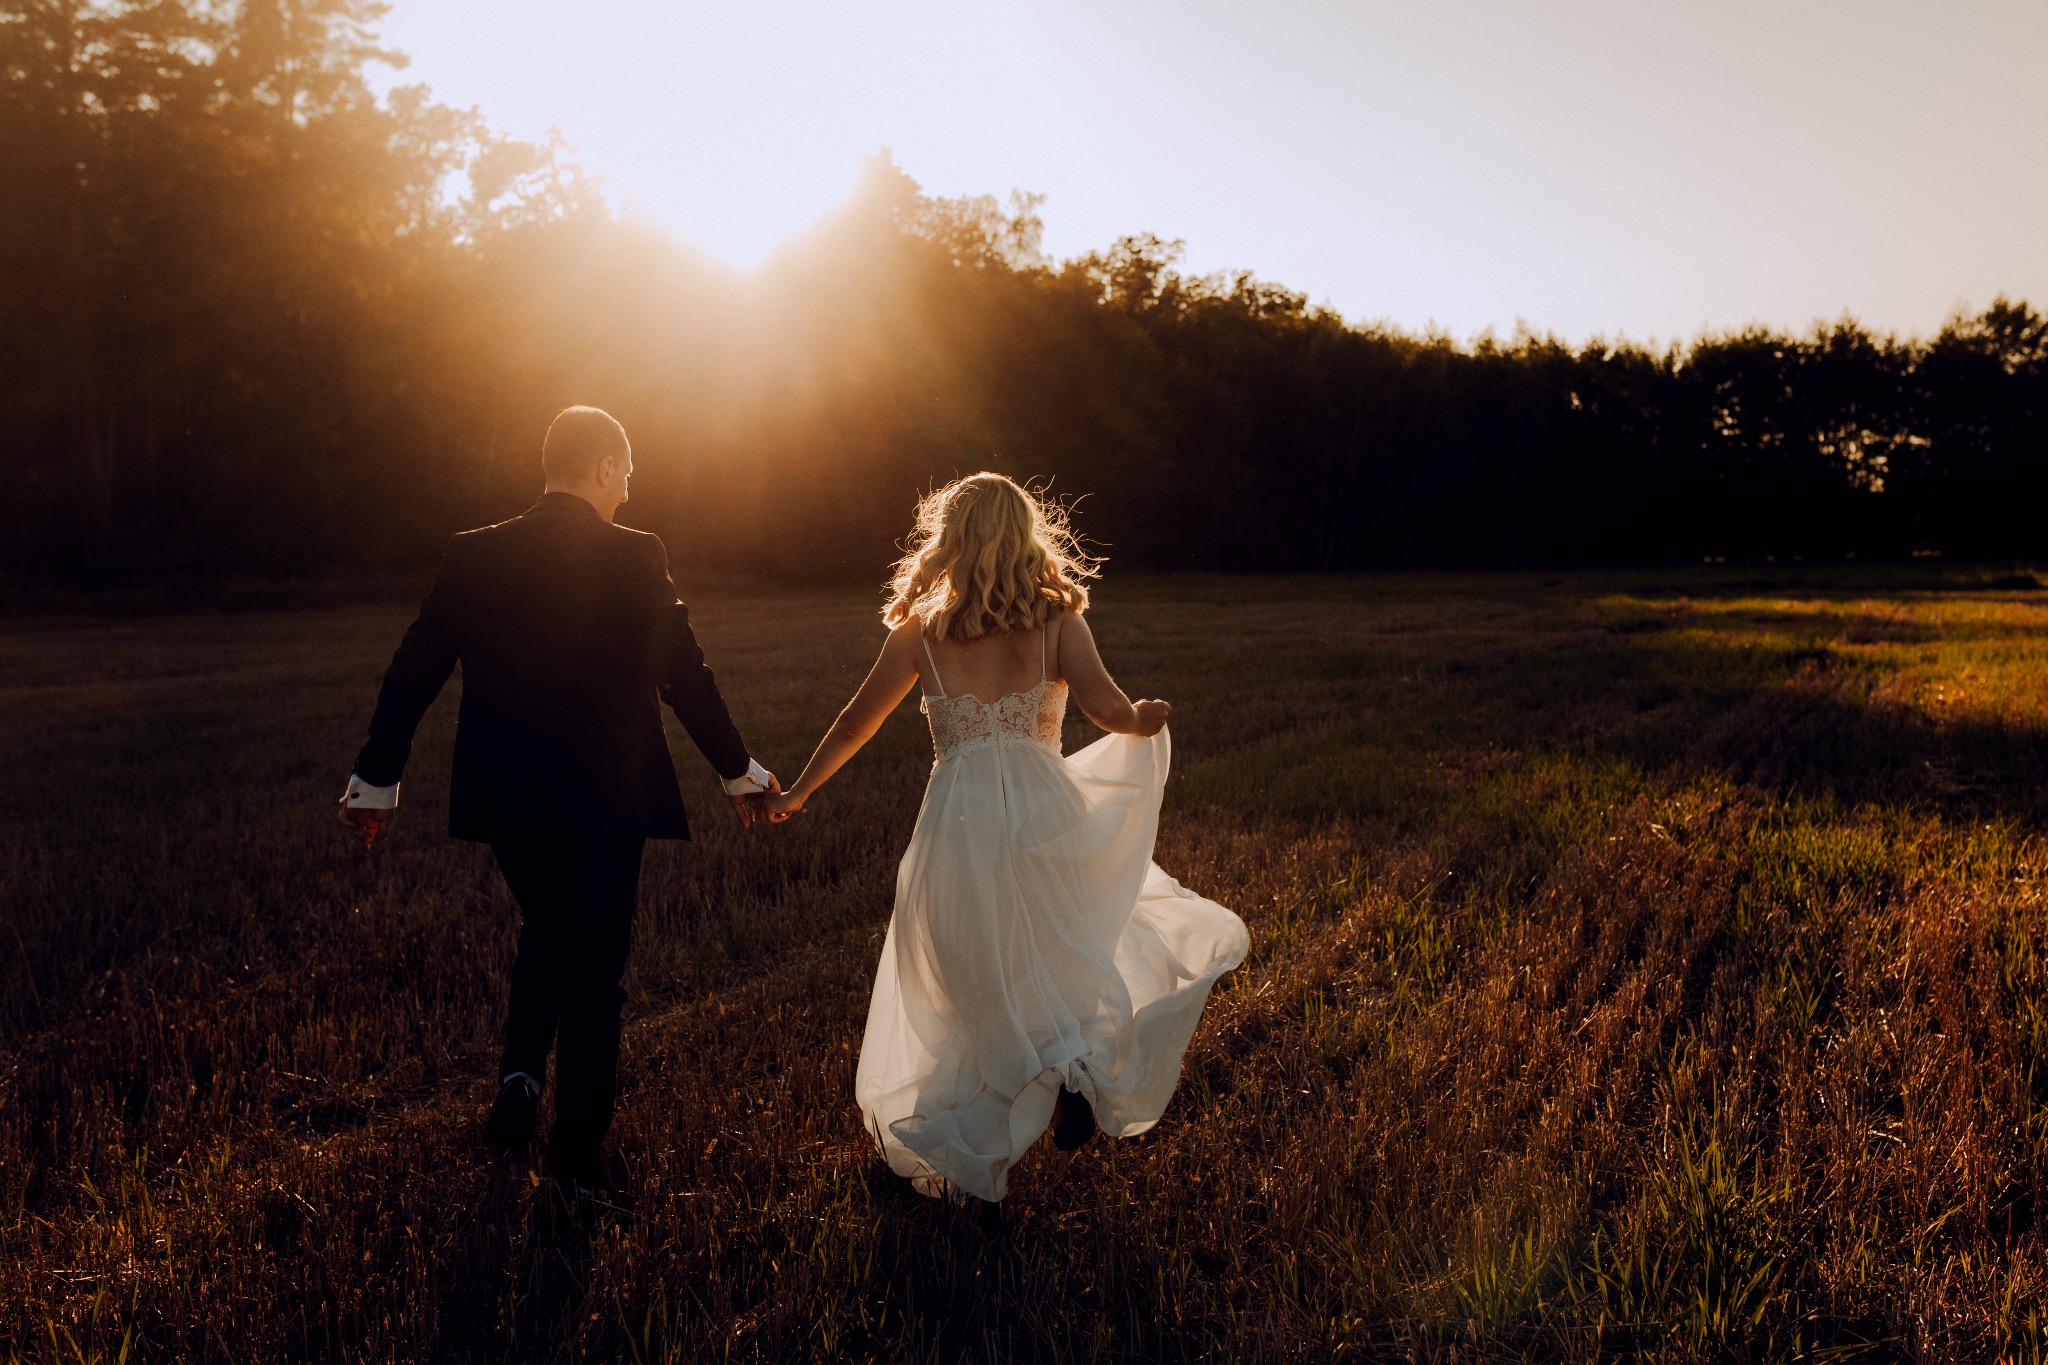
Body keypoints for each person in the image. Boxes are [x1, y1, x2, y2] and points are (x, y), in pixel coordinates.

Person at [761, 472, 1247, 1228]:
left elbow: (857, 722)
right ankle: (1068, 1071)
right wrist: (1142, 720)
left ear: (950, 541)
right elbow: (1105, 707)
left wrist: (798, 790)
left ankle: (994, 1119)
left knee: (968, 973)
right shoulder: (1057, 620)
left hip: (961, 823)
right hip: (1046, 811)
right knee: (1054, 952)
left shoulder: (921, 632)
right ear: (1026, 538)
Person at [337, 406, 777, 1193]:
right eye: (626, 475)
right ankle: (574, 1154)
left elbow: (413, 670)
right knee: (595, 967)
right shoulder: (637, 554)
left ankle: (518, 1079)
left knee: (549, 923)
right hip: (609, 795)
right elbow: (683, 673)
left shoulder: (472, 553)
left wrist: (377, 779)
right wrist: (737, 768)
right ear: (604, 466)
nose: (628, 493)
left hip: (506, 796)